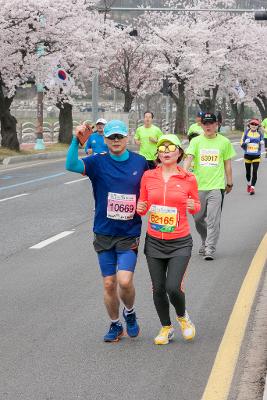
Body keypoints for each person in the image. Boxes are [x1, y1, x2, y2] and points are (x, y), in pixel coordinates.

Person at [66, 120, 148, 342]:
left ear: (127, 138)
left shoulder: (140, 163)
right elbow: (71, 165)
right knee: (109, 283)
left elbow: (155, 187)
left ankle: (129, 313)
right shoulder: (97, 162)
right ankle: (115, 325)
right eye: (112, 137)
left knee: (124, 281)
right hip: (103, 232)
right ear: (105, 140)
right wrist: (76, 140)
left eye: (120, 137)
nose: (116, 141)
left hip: (129, 231)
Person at [136, 134, 200, 345]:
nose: (165, 151)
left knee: (173, 286)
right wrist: (140, 208)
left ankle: (183, 317)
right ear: (158, 154)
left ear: (179, 152)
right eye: (162, 148)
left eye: (170, 147)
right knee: (158, 288)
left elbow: (196, 205)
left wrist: (193, 207)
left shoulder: (188, 178)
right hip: (154, 241)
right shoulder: (148, 177)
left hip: (180, 241)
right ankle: (166, 327)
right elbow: (142, 204)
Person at [184, 113, 236, 261]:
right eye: (205, 123)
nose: (208, 126)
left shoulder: (224, 142)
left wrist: (229, 182)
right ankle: (205, 239)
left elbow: (227, 163)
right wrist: (184, 173)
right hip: (198, 187)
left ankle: (209, 248)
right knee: (198, 218)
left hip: (216, 186)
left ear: (216, 124)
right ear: (202, 125)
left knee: (213, 219)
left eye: (211, 123)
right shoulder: (196, 142)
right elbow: (189, 158)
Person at [240, 118, 264, 195]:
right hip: (247, 156)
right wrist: (245, 143)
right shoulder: (246, 133)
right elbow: (241, 144)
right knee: (248, 173)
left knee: (254, 172)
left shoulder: (260, 134)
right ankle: (249, 184)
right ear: (249, 125)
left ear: (258, 126)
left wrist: (262, 143)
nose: (254, 125)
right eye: (252, 124)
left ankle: (252, 188)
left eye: (256, 124)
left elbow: (262, 145)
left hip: (256, 156)